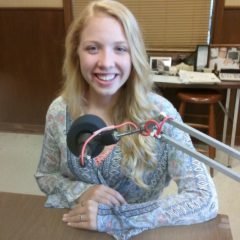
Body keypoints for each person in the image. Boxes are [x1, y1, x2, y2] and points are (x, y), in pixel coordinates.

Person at [35, 1, 218, 239]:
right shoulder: (59, 111)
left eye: (120, 49)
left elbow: (204, 198)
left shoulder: (161, 115)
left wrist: (117, 219)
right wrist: (81, 191)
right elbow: (45, 176)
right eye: (92, 48)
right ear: (75, 52)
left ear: (134, 55)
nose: (106, 62)